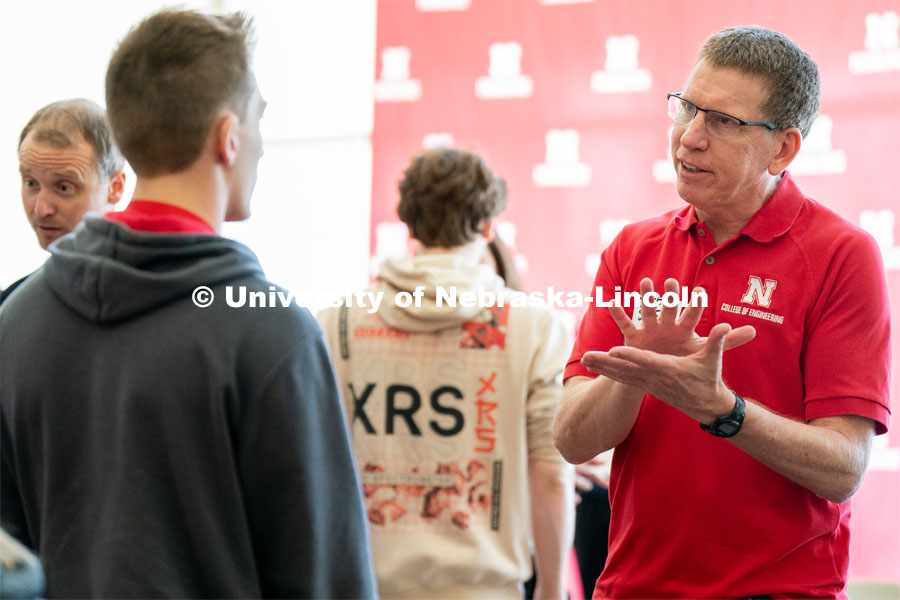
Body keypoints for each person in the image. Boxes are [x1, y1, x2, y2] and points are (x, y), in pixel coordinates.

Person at [0, 9, 376, 599]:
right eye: (259, 123)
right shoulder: (271, 333)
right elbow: (326, 582)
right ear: (229, 137)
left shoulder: (16, 323)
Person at [553, 26, 891, 599]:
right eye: (687, 108)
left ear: (782, 149)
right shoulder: (632, 249)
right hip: (633, 589)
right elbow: (572, 439)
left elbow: (843, 468)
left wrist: (720, 409)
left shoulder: (841, 254)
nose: (689, 137)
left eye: (723, 122)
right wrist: (638, 374)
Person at [318, 147, 575, 599]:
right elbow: (551, 473)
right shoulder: (536, 325)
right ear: (488, 225)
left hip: (362, 585)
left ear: (409, 222)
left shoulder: (334, 322)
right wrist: (552, 590)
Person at [1, 99, 125, 305]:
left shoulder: (149, 293)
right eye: (31, 183)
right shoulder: (14, 303)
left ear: (115, 188)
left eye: (64, 187)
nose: (41, 209)